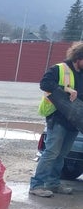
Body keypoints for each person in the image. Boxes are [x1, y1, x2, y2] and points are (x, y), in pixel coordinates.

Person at [30, 42, 83, 197]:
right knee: (51, 152)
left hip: (74, 121)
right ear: (79, 57)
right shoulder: (60, 68)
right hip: (58, 118)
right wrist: (66, 89)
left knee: (62, 154)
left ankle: (53, 183)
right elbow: (44, 83)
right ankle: (37, 185)